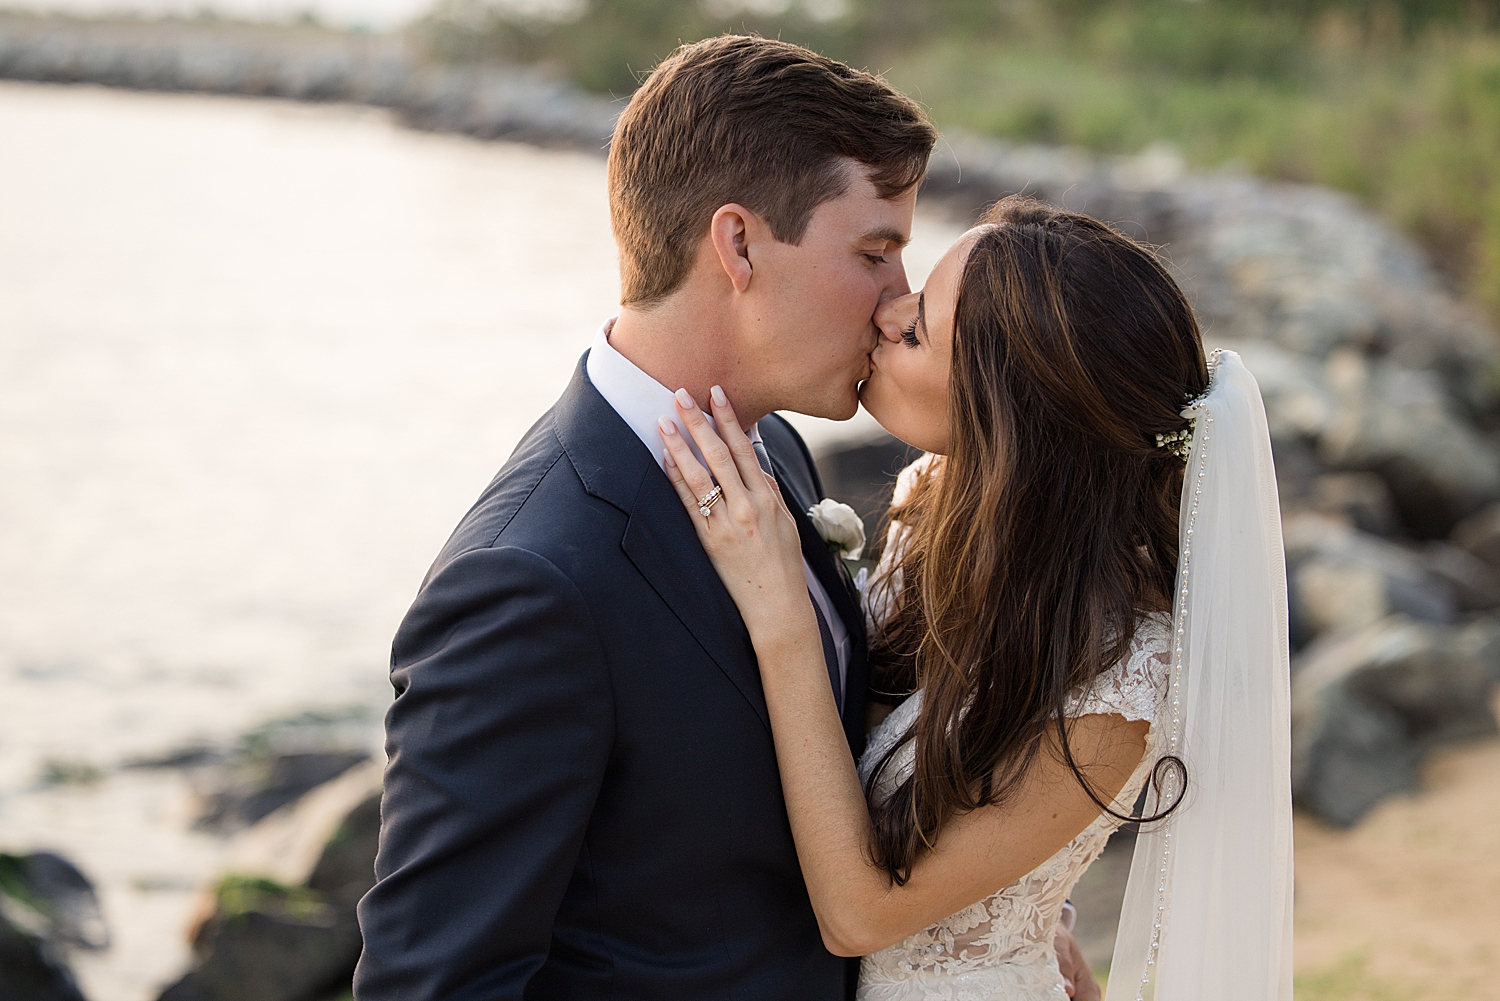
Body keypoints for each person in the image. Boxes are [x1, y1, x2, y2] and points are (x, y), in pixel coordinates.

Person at [354, 37, 1102, 1001]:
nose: (895, 302)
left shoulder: (776, 452)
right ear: (739, 244)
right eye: (876, 252)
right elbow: (434, 984)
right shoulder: (531, 582)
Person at [658, 197, 1294, 1000]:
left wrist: (780, 608)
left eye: (919, 327)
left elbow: (859, 914)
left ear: (1010, 417)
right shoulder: (934, 502)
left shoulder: (1128, 675)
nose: (886, 313)